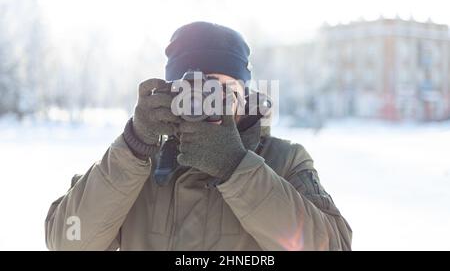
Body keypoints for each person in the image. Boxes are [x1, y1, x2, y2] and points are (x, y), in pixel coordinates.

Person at [45, 21, 352, 250]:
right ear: (170, 93)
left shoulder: (284, 160)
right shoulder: (136, 162)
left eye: (224, 91)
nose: (210, 102)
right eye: (196, 89)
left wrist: (236, 166)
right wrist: (134, 146)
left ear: (245, 96)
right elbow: (68, 240)